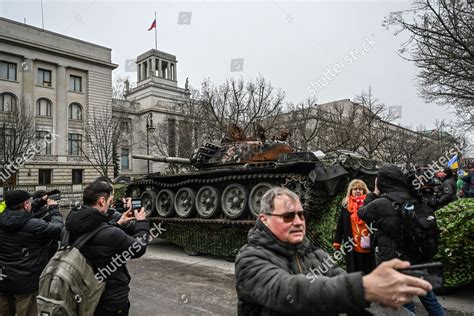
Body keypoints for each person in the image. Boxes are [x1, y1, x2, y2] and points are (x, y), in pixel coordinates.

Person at [235, 187, 432, 316]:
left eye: (301, 215)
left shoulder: (315, 255)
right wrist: (363, 287)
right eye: (288, 216)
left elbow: (343, 291)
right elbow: (290, 292)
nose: (298, 222)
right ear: (264, 219)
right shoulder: (250, 258)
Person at [358, 164, 445, 315]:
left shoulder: (381, 203)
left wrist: (374, 192)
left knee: (406, 303)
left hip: (395, 260)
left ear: (383, 181)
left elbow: (363, 213)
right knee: (430, 299)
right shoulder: (413, 196)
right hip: (419, 257)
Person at [65, 181, 149, 316]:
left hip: (81, 296)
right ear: (102, 201)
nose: (111, 204)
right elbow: (138, 248)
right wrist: (142, 223)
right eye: (110, 200)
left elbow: (96, 233)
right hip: (110, 299)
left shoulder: (69, 226)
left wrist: (118, 223)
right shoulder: (111, 234)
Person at [0, 190, 64, 316]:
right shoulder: (34, 225)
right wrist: (54, 210)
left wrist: (40, 201)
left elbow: (21, 214)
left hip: (3, 281)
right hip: (26, 286)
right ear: (25, 204)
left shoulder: (2, 219)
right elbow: (59, 229)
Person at [333, 179, 374, 274]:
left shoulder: (370, 204)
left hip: (369, 244)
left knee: (370, 272)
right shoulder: (346, 206)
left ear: (364, 191)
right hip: (352, 245)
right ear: (350, 191)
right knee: (354, 272)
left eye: (360, 189)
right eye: (355, 189)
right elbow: (340, 225)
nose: (357, 191)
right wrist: (337, 242)